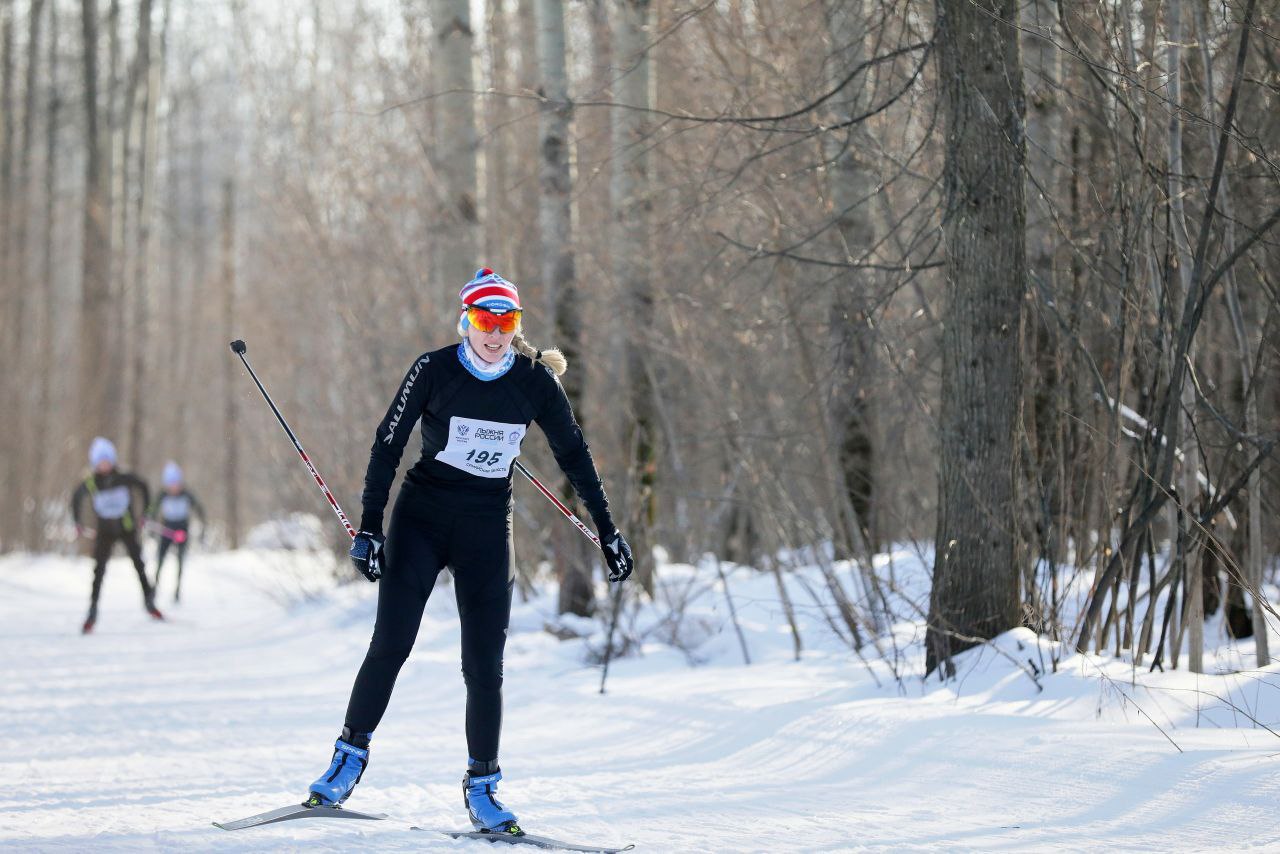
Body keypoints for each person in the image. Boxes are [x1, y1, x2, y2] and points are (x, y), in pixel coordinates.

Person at [304, 269, 634, 834]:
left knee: (485, 666)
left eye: (507, 321)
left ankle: (483, 786)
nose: (495, 332)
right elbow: (388, 445)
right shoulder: (433, 369)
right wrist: (369, 528)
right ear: (466, 322)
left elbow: (574, 457)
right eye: (485, 320)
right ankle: (346, 760)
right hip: (422, 519)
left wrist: (608, 530)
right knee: (391, 643)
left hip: (485, 526)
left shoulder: (534, 381)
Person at [71, 437, 164, 634]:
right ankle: (93, 610)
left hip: (126, 527)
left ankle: (149, 601)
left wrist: (146, 513)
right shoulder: (92, 482)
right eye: (100, 461)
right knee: (99, 571)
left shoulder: (123, 477)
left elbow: (144, 486)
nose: (104, 465)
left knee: (139, 564)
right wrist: (77, 522)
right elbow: (76, 498)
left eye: (107, 460)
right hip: (104, 531)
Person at [147, 461, 206, 603]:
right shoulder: (162, 495)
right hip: (167, 530)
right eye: (170, 484)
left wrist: (202, 528)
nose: (174, 487)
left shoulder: (186, 494)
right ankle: (155, 588)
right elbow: (152, 511)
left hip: (182, 530)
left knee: (180, 561)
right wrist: (151, 527)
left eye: (176, 483)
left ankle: (177, 590)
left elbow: (199, 510)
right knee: (160, 560)